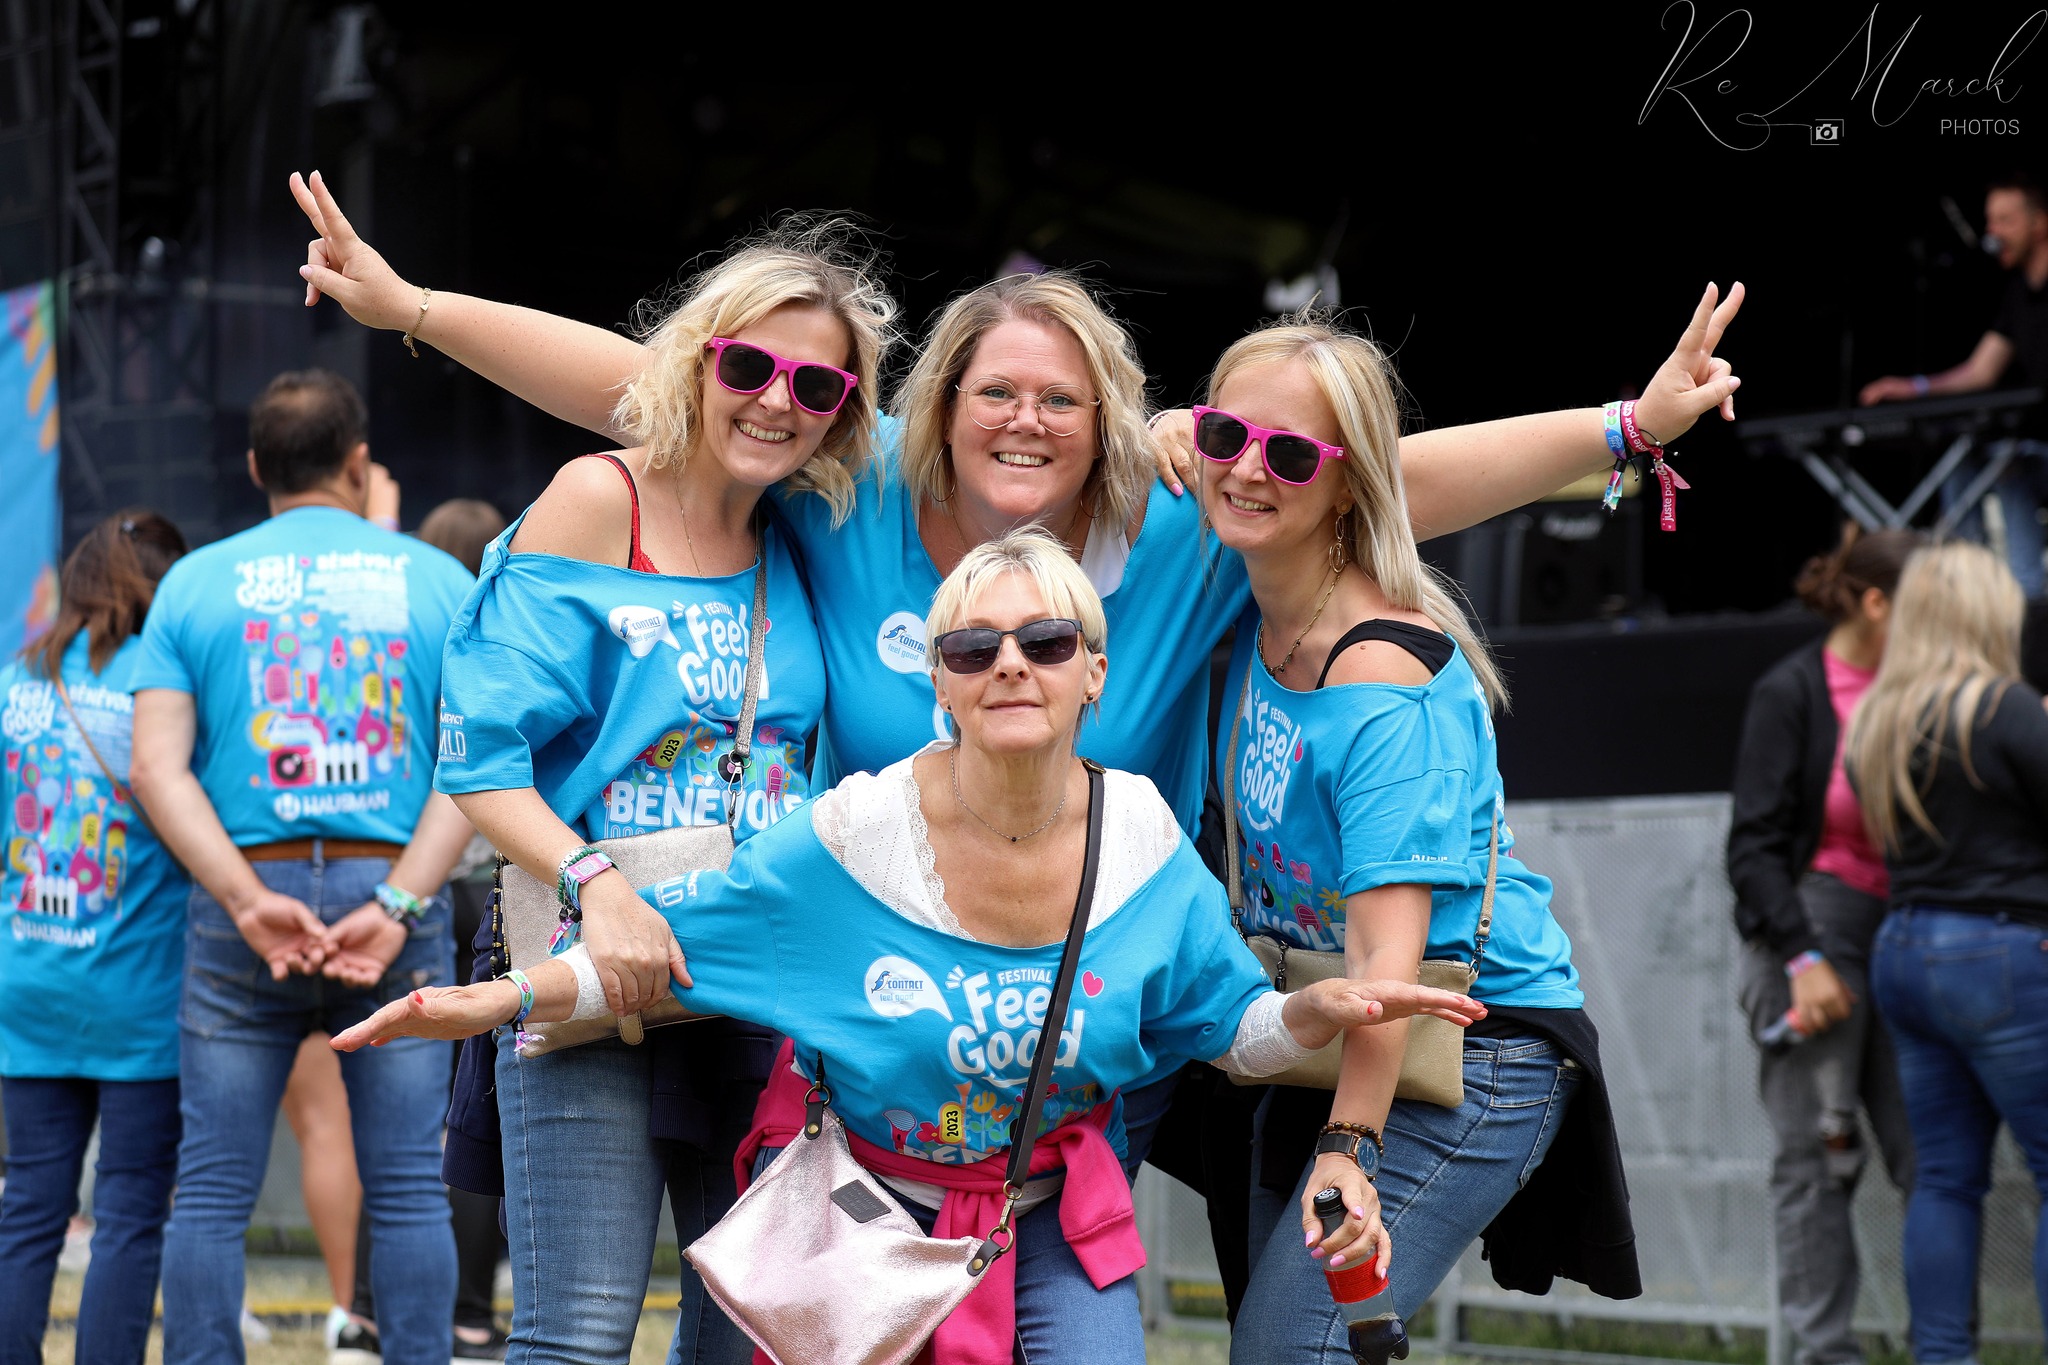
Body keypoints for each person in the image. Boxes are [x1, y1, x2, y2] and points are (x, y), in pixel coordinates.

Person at [287, 169, 1746, 1235]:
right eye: (994, 393)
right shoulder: (853, 491)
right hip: (868, 1016)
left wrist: (1624, 429)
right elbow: (657, 386)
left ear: (1110, 421)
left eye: (1060, 400)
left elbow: (1382, 478)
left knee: (1055, 1304)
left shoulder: (1183, 530)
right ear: (939, 406)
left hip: (1072, 1027)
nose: (1024, 422)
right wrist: (410, 309)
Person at [334, 527, 1488, 1365]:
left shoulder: (1140, 838)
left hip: (1049, 1218)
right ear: (938, 681)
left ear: (1093, 671)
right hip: (858, 1221)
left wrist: (1308, 1016)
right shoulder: (854, 835)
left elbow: (1227, 1029)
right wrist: (502, 1001)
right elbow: (671, 947)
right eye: (972, 647)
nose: (1009, 664)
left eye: (1045, 639)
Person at [414, 216, 890, 1365]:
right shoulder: (599, 499)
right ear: (694, 361)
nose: (775, 400)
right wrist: (596, 883)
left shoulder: (802, 527)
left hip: (758, 981)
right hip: (594, 961)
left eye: (815, 384)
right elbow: (478, 760)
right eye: (747, 365)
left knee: (745, 1336)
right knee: (577, 1335)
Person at [1193, 315, 1671, 1362]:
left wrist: (1348, 1146)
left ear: (1348, 485)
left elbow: (1388, 959)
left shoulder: (1380, 679)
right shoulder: (1254, 594)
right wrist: (1623, 423)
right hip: (1329, 1023)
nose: (1247, 470)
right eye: (1223, 436)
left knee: (1290, 1349)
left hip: (1465, 1039)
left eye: (1289, 454)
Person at [129, 369, 478, 1365]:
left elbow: (156, 769)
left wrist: (246, 900)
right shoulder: (438, 582)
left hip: (247, 895)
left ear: (255, 468)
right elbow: (476, 766)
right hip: (391, 890)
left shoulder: (195, 583)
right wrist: (402, 902)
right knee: (407, 1186)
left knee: (210, 1188)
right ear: (359, 464)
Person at [1843, 541, 2048, 1365]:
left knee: (1944, 1178)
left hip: (1906, 949)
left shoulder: (1879, 721)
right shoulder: (2005, 708)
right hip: (2002, 953)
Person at [1727, 525, 1920, 1365]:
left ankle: (1944, 1347)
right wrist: (1803, 959)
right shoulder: (1795, 691)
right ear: (1876, 604)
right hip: (1809, 936)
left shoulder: (1927, 690)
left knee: (1931, 1155)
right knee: (1817, 1159)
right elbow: (1752, 850)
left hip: (1907, 934)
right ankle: (1823, 1354)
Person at [0, 511, 189, 1365]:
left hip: (28, 980)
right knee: (131, 1211)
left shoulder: (15, 684)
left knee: (28, 1206)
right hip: (138, 990)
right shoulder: (164, 687)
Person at [1860, 173, 2048, 593]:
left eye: (2005, 221)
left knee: (2009, 465)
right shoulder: (2017, 293)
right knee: (1965, 463)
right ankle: (1965, 596)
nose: (1992, 233)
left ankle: (2030, 597)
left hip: (2033, 455)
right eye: (1990, 221)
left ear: (2039, 224)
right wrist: (1915, 388)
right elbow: (1981, 371)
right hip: (2031, 449)